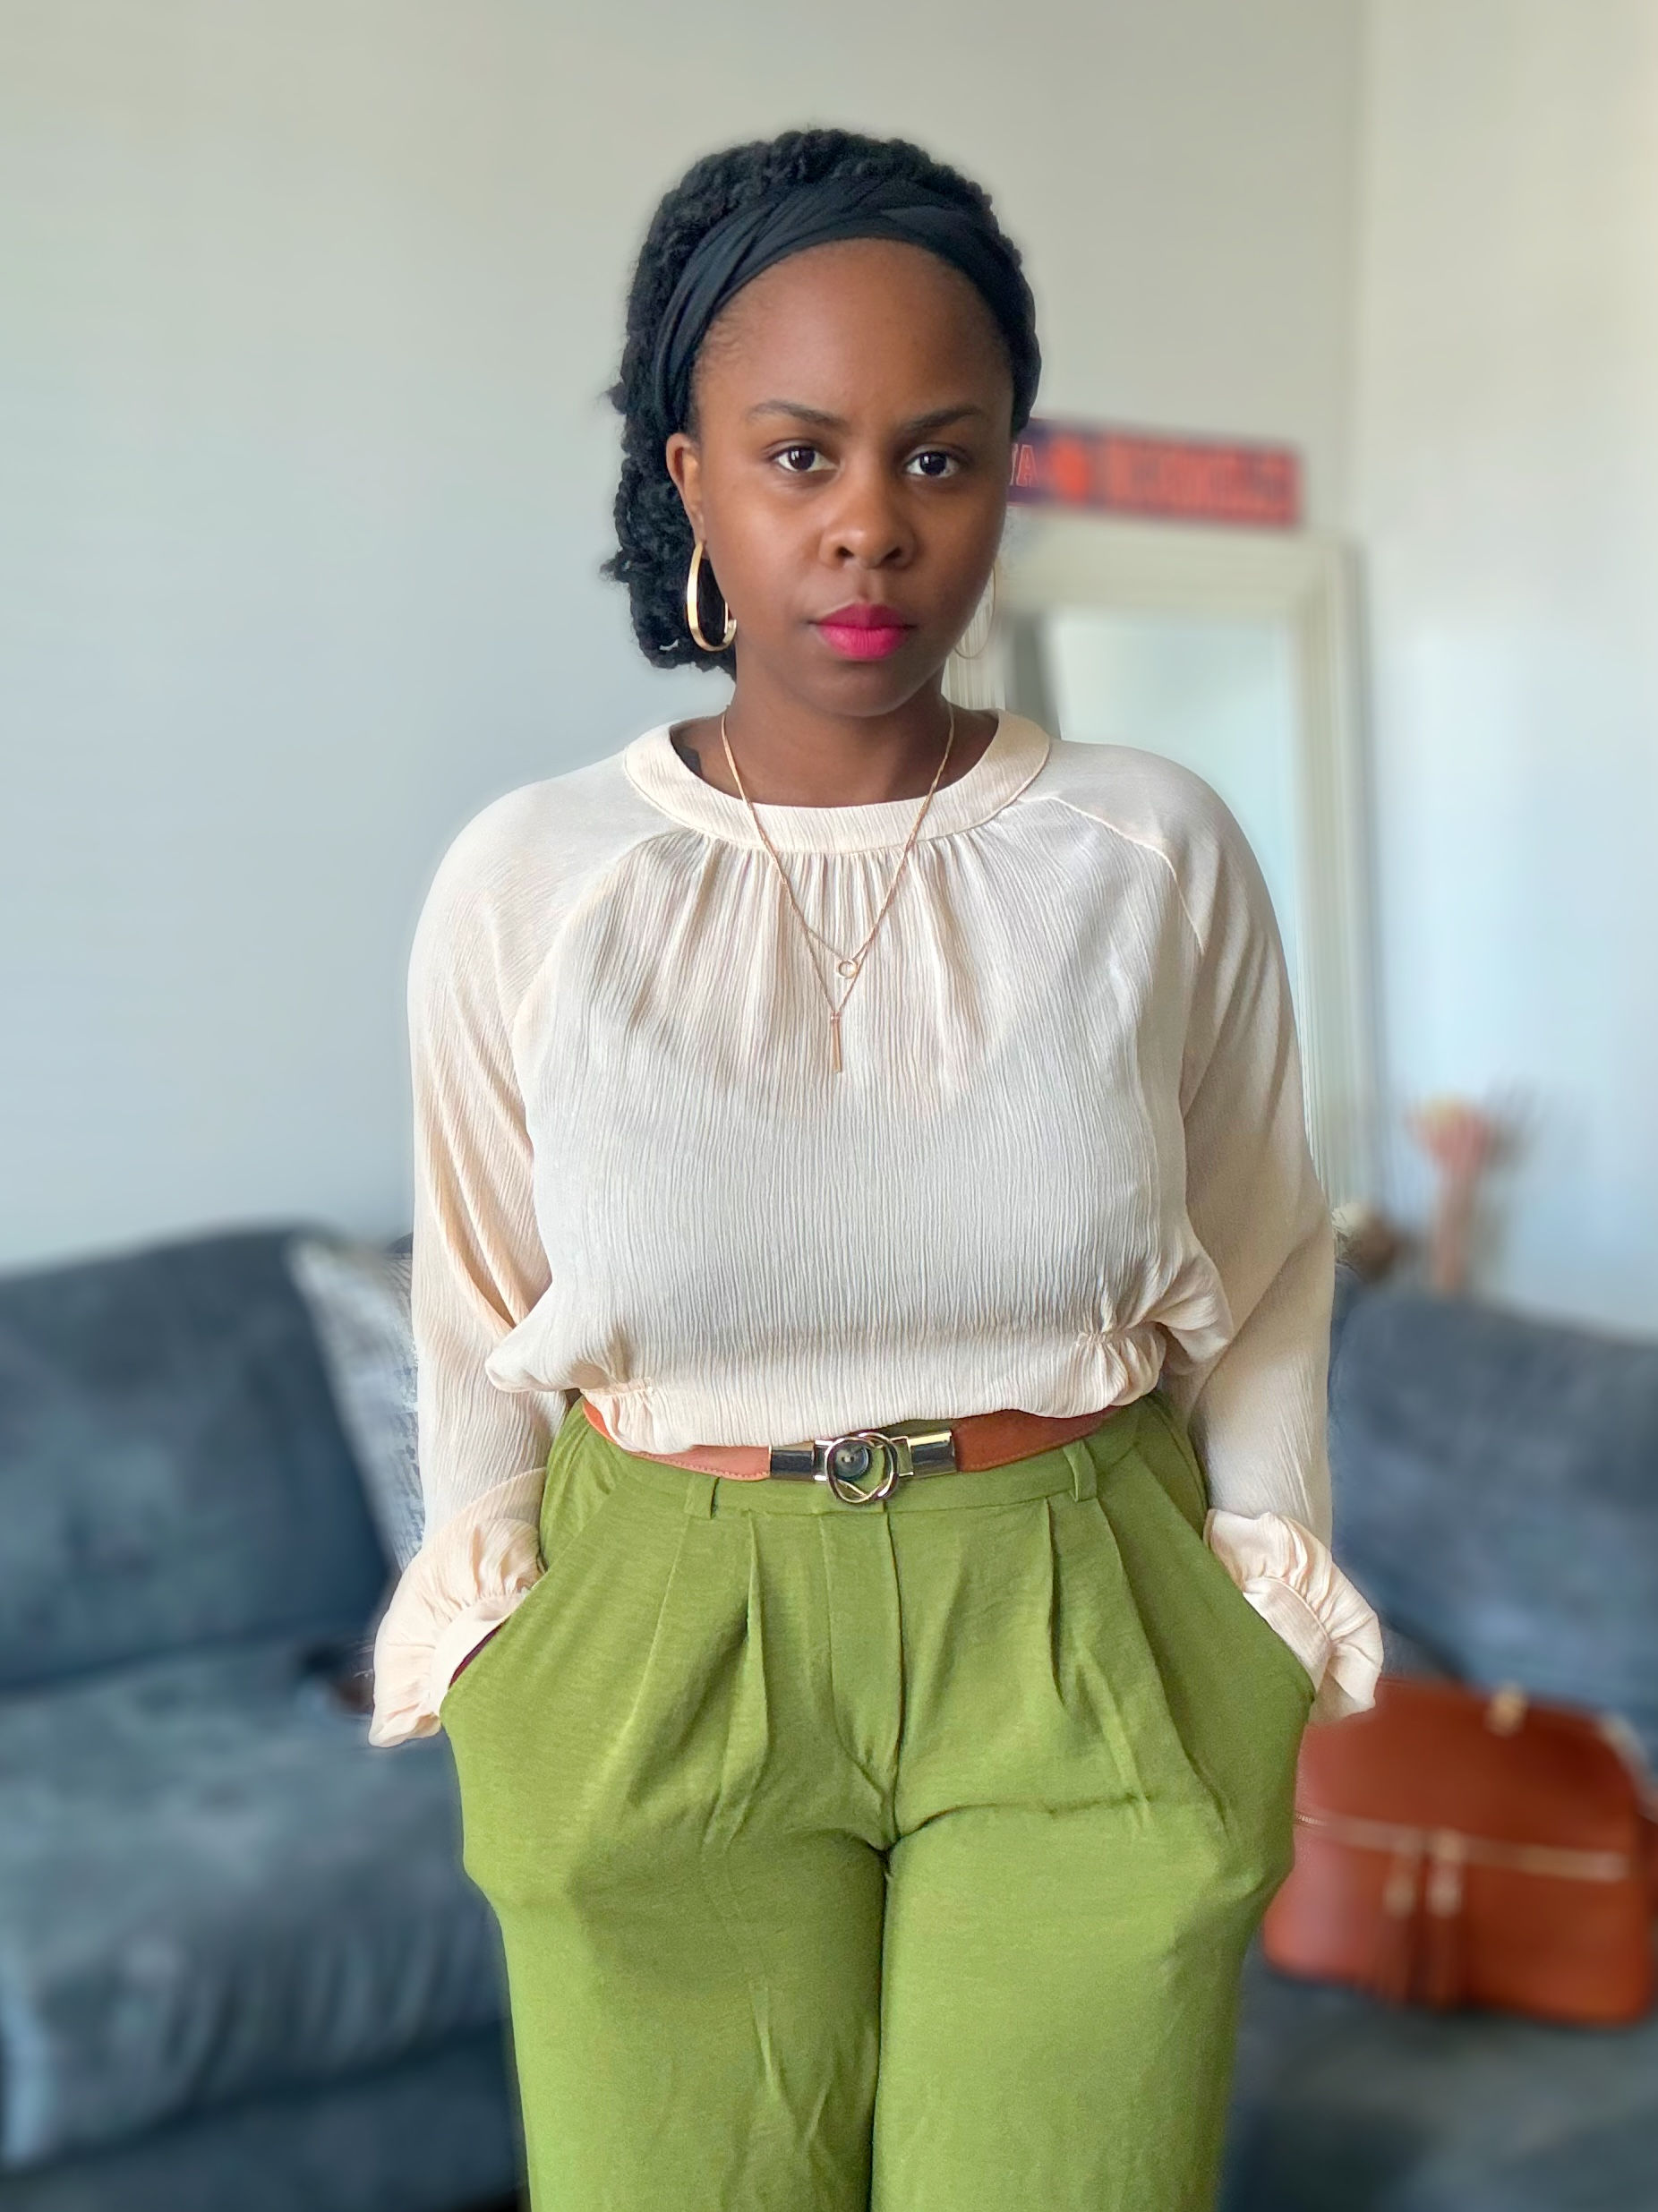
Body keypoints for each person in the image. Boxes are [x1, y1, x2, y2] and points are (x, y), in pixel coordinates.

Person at [369, 125, 1382, 2212]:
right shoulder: (530, 880)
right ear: (690, 486)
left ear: (1007, 475)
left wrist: (1261, 1591)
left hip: (1079, 1605)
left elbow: (1268, 1263)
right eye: (799, 456)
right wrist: (496, 1627)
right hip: (660, 1622)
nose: (866, 531)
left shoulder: (1150, 846)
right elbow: (474, 1304)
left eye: (939, 460)